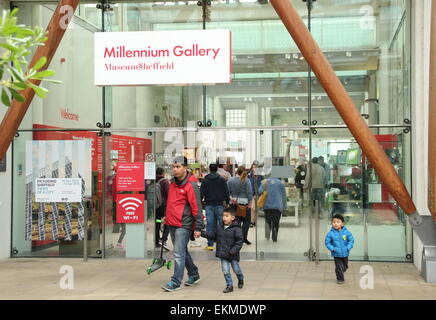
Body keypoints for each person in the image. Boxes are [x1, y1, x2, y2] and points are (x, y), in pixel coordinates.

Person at [162, 156, 204, 292]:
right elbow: (171, 203)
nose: (175, 169)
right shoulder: (172, 184)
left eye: (178, 166)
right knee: (182, 251)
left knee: (178, 254)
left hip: (183, 224)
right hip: (172, 222)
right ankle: (194, 274)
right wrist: (166, 217)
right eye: (173, 167)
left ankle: (175, 282)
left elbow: (196, 207)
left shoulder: (191, 185)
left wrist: (198, 227)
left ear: (185, 168)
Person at [198, 207, 244, 293]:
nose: (224, 218)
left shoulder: (236, 229)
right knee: (225, 270)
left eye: (227, 216)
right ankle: (229, 285)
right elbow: (212, 235)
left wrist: (233, 250)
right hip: (223, 254)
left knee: (236, 269)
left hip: (232, 254)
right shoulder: (220, 227)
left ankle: (240, 278)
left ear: (232, 218)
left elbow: (239, 241)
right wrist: (202, 233)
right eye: (223, 216)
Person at [200, 163, 230, 251]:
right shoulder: (221, 180)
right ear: (217, 169)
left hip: (209, 205)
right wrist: (227, 201)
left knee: (209, 225)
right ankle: (221, 244)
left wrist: (200, 201)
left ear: (209, 169)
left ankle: (210, 245)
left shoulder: (205, 180)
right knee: (221, 224)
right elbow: (226, 191)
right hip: (219, 205)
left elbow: (201, 193)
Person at [325, 214, 354, 284]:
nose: (336, 224)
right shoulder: (330, 234)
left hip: (345, 253)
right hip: (336, 254)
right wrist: (332, 249)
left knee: (345, 266)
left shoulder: (346, 232)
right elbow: (327, 243)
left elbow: (351, 240)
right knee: (339, 266)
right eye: (334, 222)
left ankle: (339, 271)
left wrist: (348, 247)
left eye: (338, 222)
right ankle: (340, 279)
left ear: (342, 223)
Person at [227, 166, 253, 245]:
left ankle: (235, 238)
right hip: (244, 204)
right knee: (246, 221)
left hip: (233, 204)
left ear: (237, 171)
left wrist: (231, 198)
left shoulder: (230, 180)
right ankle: (244, 237)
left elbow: (227, 191)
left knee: (235, 222)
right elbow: (249, 193)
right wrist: (250, 203)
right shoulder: (246, 181)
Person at [258, 176, 287, 242]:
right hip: (277, 205)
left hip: (267, 205)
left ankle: (267, 235)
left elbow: (260, 191)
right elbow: (284, 195)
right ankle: (274, 235)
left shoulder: (265, 182)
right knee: (276, 221)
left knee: (268, 220)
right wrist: (284, 206)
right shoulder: (280, 183)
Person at [155, 167, 170, 249]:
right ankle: (163, 239)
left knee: (157, 222)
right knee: (167, 222)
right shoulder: (165, 182)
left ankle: (156, 241)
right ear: (163, 173)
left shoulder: (153, 181)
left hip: (156, 207)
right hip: (163, 207)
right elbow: (169, 194)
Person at [248, 161, 263, 227]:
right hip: (252, 194)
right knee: (253, 208)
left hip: (258, 194)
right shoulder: (249, 176)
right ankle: (251, 221)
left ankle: (254, 222)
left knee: (256, 209)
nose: (254, 169)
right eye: (253, 167)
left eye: (255, 167)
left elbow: (262, 185)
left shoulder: (260, 176)